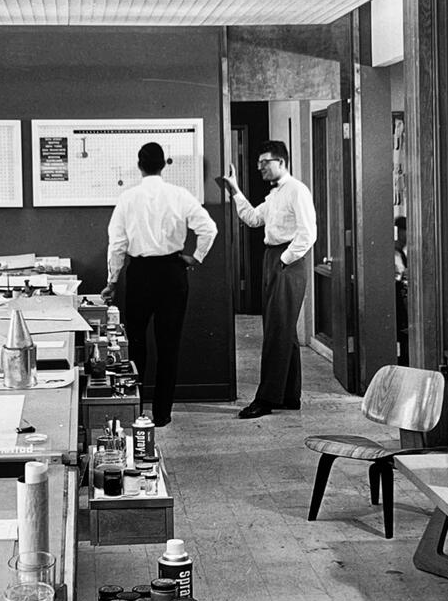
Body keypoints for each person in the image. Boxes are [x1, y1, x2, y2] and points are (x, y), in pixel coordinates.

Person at [101, 142, 218, 425]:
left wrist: (112, 282)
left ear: (139, 165)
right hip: (172, 273)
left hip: (140, 274)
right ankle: (163, 414)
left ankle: (135, 409)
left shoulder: (128, 199)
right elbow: (209, 229)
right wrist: (197, 257)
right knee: (169, 346)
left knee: (136, 345)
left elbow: (117, 244)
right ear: (164, 164)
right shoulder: (180, 195)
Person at [217, 139, 317, 418]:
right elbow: (252, 218)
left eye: (265, 163)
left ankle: (266, 399)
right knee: (283, 329)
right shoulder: (276, 195)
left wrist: (284, 260)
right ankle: (289, 396)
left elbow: (308, 234)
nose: (260, 167)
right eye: (258, 163)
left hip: (288, 260)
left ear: (281, 163)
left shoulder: (297, 191)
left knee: (276, 331)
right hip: (274, 258)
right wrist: (235, 189)